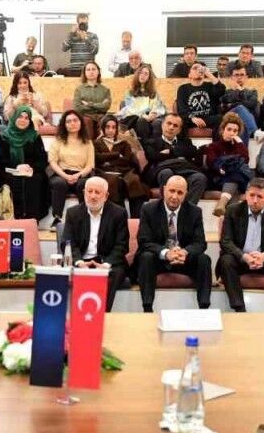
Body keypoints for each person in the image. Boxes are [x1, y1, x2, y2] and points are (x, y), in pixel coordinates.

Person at [136, 175, 211, 313]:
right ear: (164, 190)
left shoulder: (194, 211)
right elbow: (144, 241)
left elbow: (200, 243)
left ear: (185, 194)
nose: (175, 196)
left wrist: (185, 252)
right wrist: (166, 253)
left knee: (204, 259)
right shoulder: (149, 209)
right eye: (172, 191)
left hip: (183, 260)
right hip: (159, 260)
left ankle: (204, 309)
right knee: (146, 257)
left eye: (180, 192)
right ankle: (147, 308)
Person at [217, 177, 264, 312]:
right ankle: (239, 308)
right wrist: (244, 257)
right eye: (251, 195)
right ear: (246, 195)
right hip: (241, 260)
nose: (255, 200)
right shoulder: (233, 210)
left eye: (260, 196)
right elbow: (226, 242)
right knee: (226, 260)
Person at [62, 176, 129, 309]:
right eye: (89, 191)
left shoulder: (118, 213)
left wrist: (106, 264)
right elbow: (68, 242)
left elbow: (122, 245)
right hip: (82, 260)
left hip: (107, 260)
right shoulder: (73, 213)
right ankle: (79, 313)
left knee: (115, 273)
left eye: (97, 192)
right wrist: (79, 262)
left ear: (106, 196)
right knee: (71, 272)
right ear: (84, 193)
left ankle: (103, 312)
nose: (93, 196)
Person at [0, 105, 49, 221]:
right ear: (14, 118)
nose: (23, 120)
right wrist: (17, 167)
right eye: (20, 116)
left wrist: (30, 167)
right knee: (12, 181)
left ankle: (33, 219)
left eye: (26, 118)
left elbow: (42, 159)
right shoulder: (3, 137)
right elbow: (1, 161)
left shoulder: (35, 137)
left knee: (36, 180)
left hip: (30, 171)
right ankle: (14, 218)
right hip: (9, 171)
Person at [145, 113, 207, 205]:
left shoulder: (186, 142)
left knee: (200, 177)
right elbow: (153, 157)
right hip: (163, 173)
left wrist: (169, 153)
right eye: (169, 123)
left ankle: (186, 210)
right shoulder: (152, 142)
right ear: (162, 125)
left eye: (175, 125)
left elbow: (195, 154)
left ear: (179, 130)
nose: (171, 127)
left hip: (184, 174)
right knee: (166, 172)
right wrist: (179, 155)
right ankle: (167, 209)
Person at [93, 115, 148, 217]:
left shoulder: (124, 143)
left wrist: (108, 161)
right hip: (104, 172)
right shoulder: (96, 143)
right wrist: (117, 155)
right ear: (103, 128)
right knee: (114, 181)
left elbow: (126, 160)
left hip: (124, 171)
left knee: (134, 181)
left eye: (113, 127)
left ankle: (137, 218)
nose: (111, 130)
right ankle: (121, 217)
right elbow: (98, 158)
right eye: (108, 127)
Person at [48, 109, 94, 226]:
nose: (72, 123)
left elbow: (90, 165)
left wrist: (78, 175)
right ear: (64, 124)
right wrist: (65, 176)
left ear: (80, 122)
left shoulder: (88, 142)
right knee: (59, 183)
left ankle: (84, 219)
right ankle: (57, 218)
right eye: (68, 121)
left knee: (84, 184)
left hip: (81, 174)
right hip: (61, 174)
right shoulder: (58, 141)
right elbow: (53, 162)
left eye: (75, 120)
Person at [200, 113, 250, 205]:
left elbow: (245, 160)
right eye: (229, 129)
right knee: (236, 178)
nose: (232, 133)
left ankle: (222, 203)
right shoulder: (213, 146)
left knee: (236, 175)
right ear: (223, 130)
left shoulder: (239, 146)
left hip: (235, 178)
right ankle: (228, 211)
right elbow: (211, 162)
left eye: (235, 131)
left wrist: (239, 142)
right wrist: (220, 168)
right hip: (219, 177)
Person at [118, 63, 166, 141]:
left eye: (146, 74)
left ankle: (151, 144)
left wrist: (154, 113)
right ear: (137, 75)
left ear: (149, 77)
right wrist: (143, 115)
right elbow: (131, 109)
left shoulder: (153, 93)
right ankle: (144, 143)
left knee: (152, 122)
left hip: (149, 118)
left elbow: (159, 107)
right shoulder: (130, 92)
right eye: (140, 73)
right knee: (140, 120)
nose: (142, 75)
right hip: (135, 118)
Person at [175, 62, 224, 131]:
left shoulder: (210, 86)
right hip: (191, 120)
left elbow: (222, 90)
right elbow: (182, 109)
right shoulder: (183, 88)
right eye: (195, 68)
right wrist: (193, 118)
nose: (199, 70)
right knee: (179, 121)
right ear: (189, 75)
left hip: (209, 118)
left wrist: (209, 74)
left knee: (220, 118)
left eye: (201, 68)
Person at [71, 60, 111, 134]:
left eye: (93, 69)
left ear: (98, 71)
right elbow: (77, 107)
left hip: (101, 117)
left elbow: (106, 106)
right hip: (85, 116)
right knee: (87, 121)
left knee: (107, 121)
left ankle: (102, 141)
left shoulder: (105, 90)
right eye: (88, 70)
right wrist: (99, 105)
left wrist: (89, 104)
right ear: (84, 73)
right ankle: (87, 142)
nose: (91, 72)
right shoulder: (79, 89)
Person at [218, 65, 260, 134]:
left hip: (246, 121)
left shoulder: (252, 91)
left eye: (242, 75)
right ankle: (256, 133)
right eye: (236, 75)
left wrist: (240, 92)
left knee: (241, 108)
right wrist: (240, 103)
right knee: (240, 108)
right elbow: (223, 108)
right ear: (231, 77)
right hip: (230, 120)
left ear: (246, 77)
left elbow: (252, 105)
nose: (239, 77)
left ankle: (252, 132)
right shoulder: (226, 92)